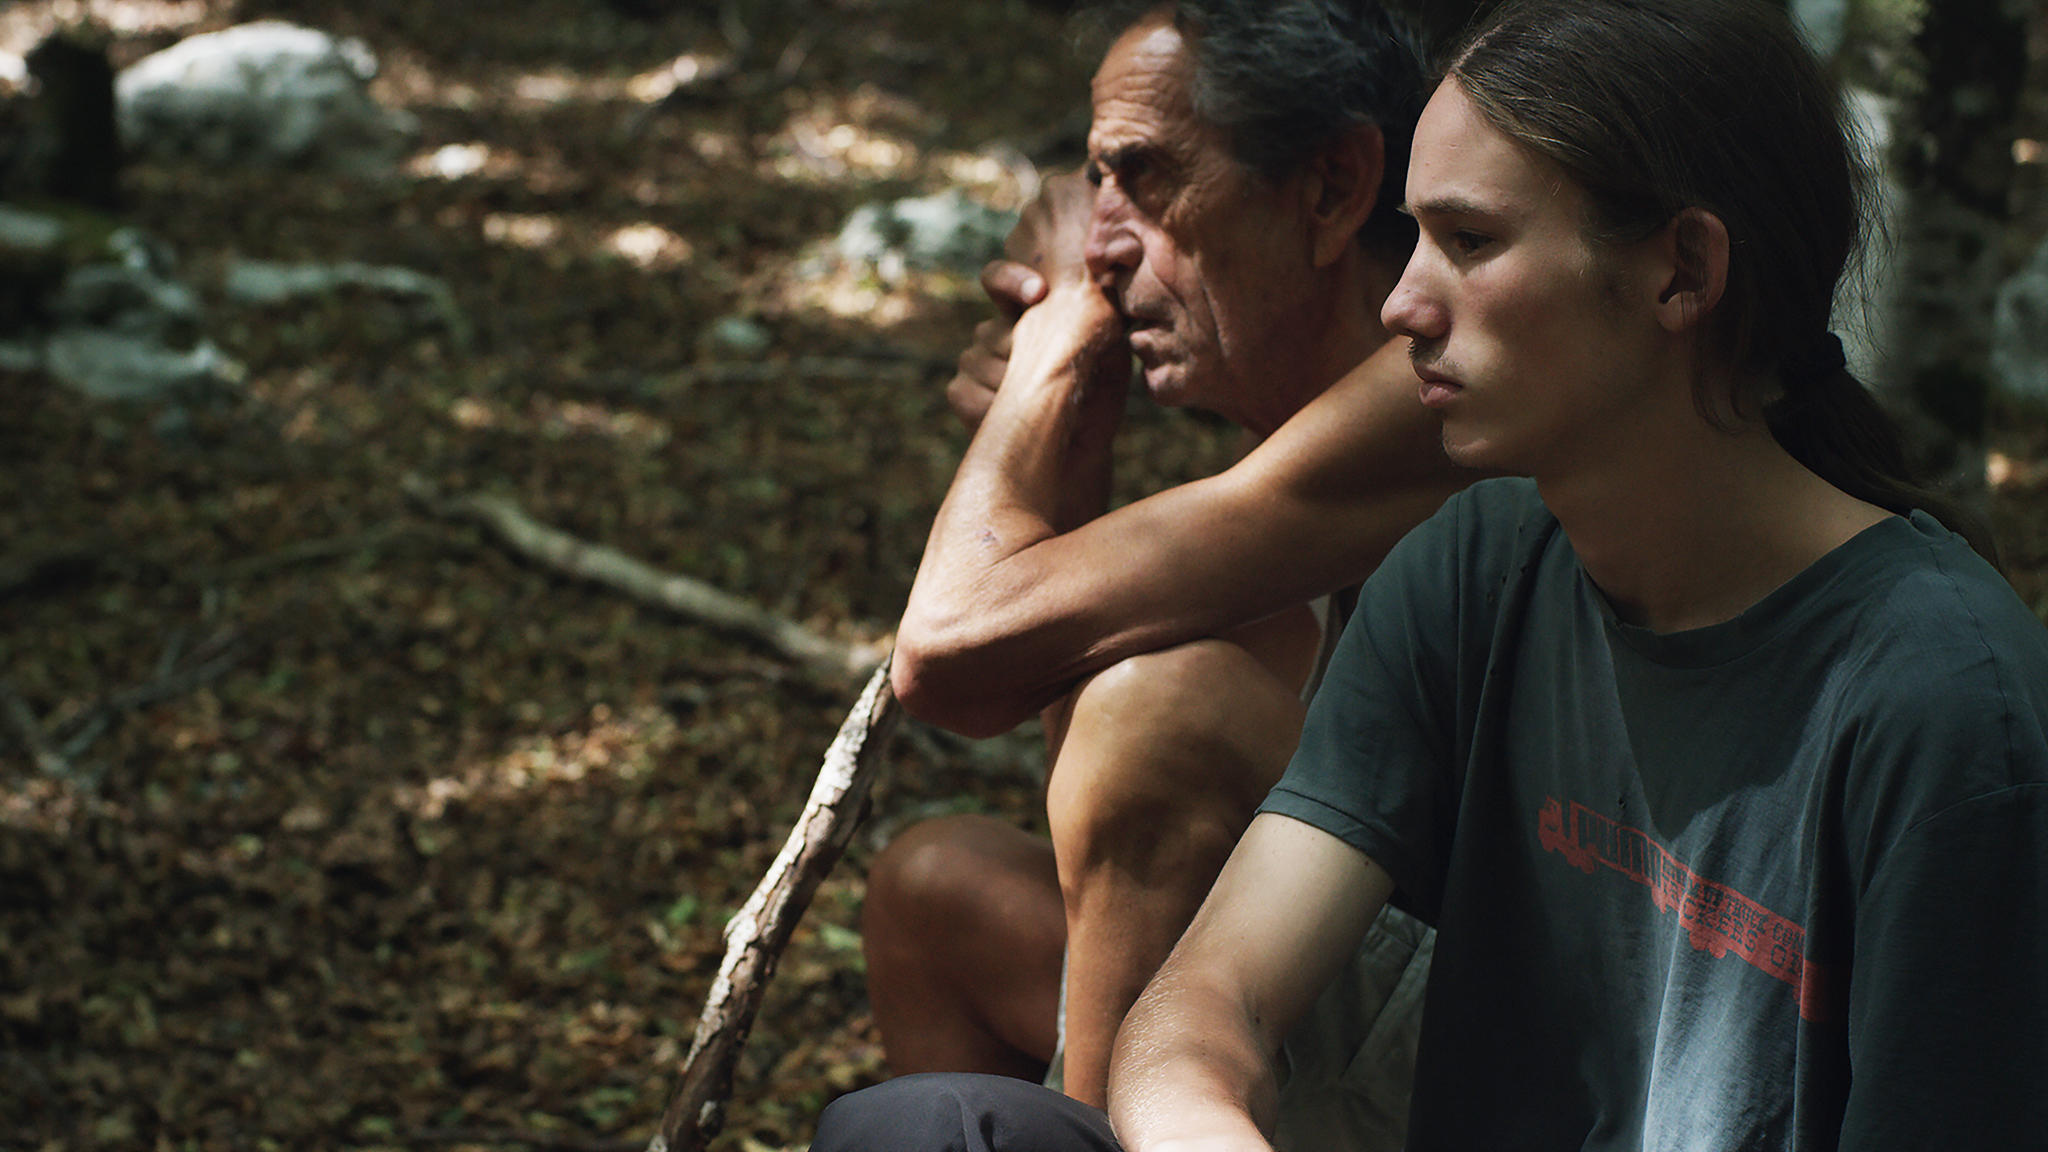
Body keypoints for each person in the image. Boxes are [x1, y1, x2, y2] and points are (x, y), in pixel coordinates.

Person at [817, 0, 2048, 1148]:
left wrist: (1049, 358)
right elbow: (1194, 1001)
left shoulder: (1939, 704)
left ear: (1680, 271)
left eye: (1468, 241)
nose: (1404, 304)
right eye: (1416, 239)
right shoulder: (1480, 553)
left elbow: (967, 653)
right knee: (920, 1111)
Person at [866, 0, 1469, 1129]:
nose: (1100, 246)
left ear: (1332, 188)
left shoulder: (1432, 388)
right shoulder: (1290, 466)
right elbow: (1112, 831)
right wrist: (1076, 431)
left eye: (1144, 179)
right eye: (1094, 185)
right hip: (1365, 988)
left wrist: (1049, 356)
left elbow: (948, 655)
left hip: (1528, 1044)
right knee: (932, 890)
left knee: (1165, 705)